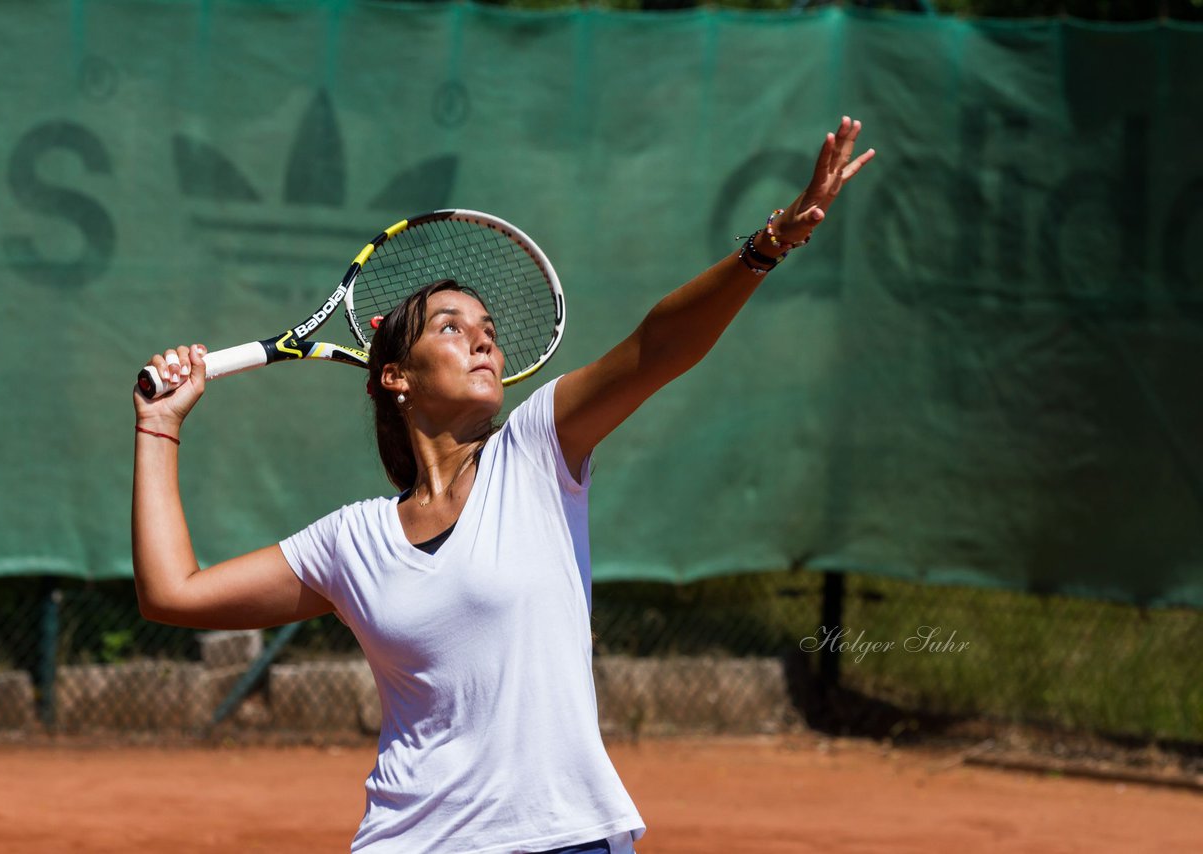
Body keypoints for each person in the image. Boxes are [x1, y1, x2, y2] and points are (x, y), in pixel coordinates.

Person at [132, 117, 873, 854]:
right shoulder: (351, 541)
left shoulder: (537, 451)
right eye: (451, 328)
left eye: (487, 327)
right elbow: (173, 594)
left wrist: (767, 245)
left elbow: (657, 348)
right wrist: (159, 428)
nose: (484, 337)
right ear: (395, 375)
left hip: (565, 837)